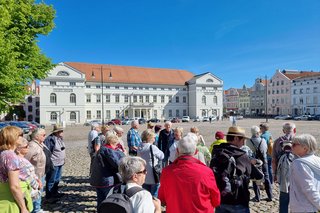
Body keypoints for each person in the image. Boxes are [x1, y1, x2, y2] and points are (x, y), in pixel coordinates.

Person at [158, 134, 220, 213]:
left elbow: (162, 198)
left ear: (177, 151)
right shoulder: (206, 172)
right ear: (196, 152)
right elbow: (216, 199)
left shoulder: (167, 172)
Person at [211, 126, 264, 213]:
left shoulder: (217, 152)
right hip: (238, 200)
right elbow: (257, 175)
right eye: (242, 140)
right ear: (236, 138)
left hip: (220, 199)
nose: (243, 143)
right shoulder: (242, 156)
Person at [0, 126, 31, 213]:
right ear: (12, 138)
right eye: (20, 135)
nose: (22, 137)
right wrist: (23, 208)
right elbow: (15, 186)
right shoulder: (10, 156)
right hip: (12, 200)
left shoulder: (4, 153)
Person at [90, 134, 125, 208]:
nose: (116, 146)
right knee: (108, 200)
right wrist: (121, 153)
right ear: (113, 143)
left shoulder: (102, 149)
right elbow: (117, 164)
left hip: (98, 179)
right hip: (106, 180)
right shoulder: (108, 150)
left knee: (100, 199)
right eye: (116, 144)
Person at [289, 134, 320, 212]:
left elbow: (308, 188)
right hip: (312, 207)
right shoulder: (317, 159)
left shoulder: (299, 163)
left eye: (294, 144)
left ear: (305, 148)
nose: (291, 146)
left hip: (303, 207)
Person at [272, 122, 296, 213]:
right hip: (297, 172)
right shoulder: (299, 141)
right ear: (294, 130)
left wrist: (274, 174)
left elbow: (274, 160)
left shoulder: (278, 141)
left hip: (282, 173)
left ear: (283, 131)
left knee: (283, 196)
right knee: (298, 197)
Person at [247, 126, 272, 202]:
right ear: (258, 132)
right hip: (263, 161)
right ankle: (270, 196)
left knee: (255, 178)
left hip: (254, 162)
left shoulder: (248, 141)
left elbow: (248, 153)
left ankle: (257, 197)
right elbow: (265, 150)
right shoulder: (263, 140)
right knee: (266, 178)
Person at [15, 138, 42, 212]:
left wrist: (37, 179)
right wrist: (37, 184)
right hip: (27, 191)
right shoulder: (19, 161)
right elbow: (27, 177)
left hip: (31, 190)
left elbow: (31, 173)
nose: (28, 148)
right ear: (18, 149)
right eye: (26, 146)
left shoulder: (23, 159)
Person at [25, 128, 47, 212]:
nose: (45, 136)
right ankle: (35, 210)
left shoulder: (39, 144)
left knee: (39, 193)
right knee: (35, 194)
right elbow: (25, 161)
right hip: (35, 175)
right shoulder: (32, 146)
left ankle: (37, 208)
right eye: (43, 135)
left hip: (40, 173)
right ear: (37, 136)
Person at [138, 129, 164, 197]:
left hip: (143, 172)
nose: (154, 138)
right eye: (153, 137)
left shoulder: (140, 146)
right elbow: (162, 156)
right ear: (150, 138)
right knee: (154, 194)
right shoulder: (152, 147)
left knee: (146, 193)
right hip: (153, 174)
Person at [44, 125, 66, 200]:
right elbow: (47, 152)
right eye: (61, 131)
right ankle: (49, 196)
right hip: (53, 163)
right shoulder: (50, 139)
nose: (62, 132)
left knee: (57, 179)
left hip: (60, 162)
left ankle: (55, 193)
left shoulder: (60, 138)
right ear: (57, 132)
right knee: (51, 180)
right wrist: (49, 162)